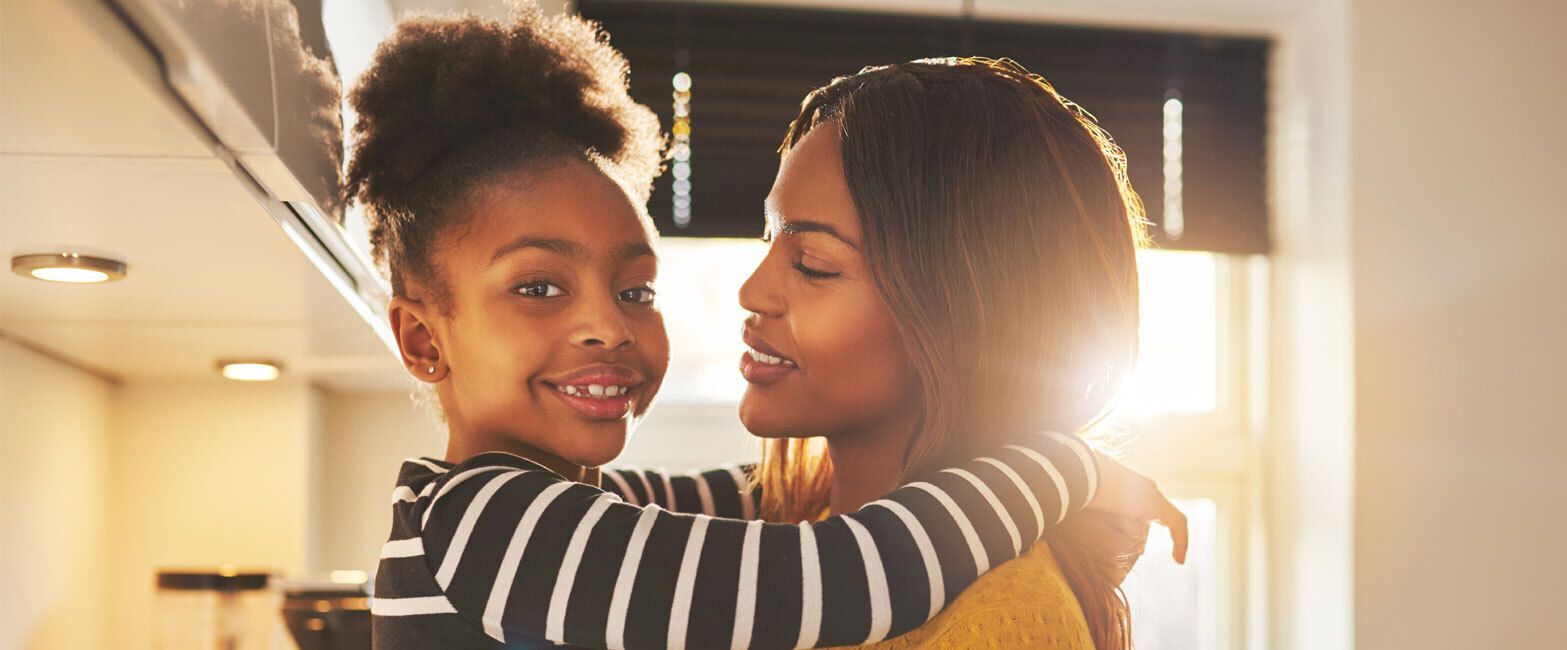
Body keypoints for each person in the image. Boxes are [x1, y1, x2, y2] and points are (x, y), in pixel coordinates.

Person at [342, 7, 1185, 649]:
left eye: (637, 290)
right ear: (422, 341)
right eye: (537, 287)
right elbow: (839, 574)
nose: (749, 289)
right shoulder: (493, 522)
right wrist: (1058, 469)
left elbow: (742, 508)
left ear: (962, 312)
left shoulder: (540, 510)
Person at [741, 58, 1157, 648]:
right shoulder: (785, 545)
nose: (751, 292)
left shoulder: (1002, 617)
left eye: (813, 264)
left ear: (959, 317)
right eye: (768, 240)